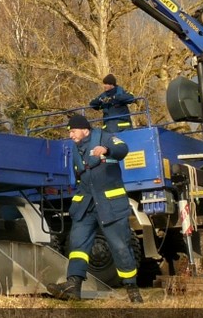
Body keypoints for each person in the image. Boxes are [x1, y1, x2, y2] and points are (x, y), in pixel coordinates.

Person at [47, 114, 143, 303]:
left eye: (73, 131)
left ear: (85, 129)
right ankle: (73, 286)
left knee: (120, 246)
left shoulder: (104, 138)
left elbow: (122, 149)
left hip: (110, 205)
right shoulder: (75, 149)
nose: (71, 135)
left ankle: (132, 289)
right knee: (77, 244)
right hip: (86, 206)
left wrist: (106, 150)